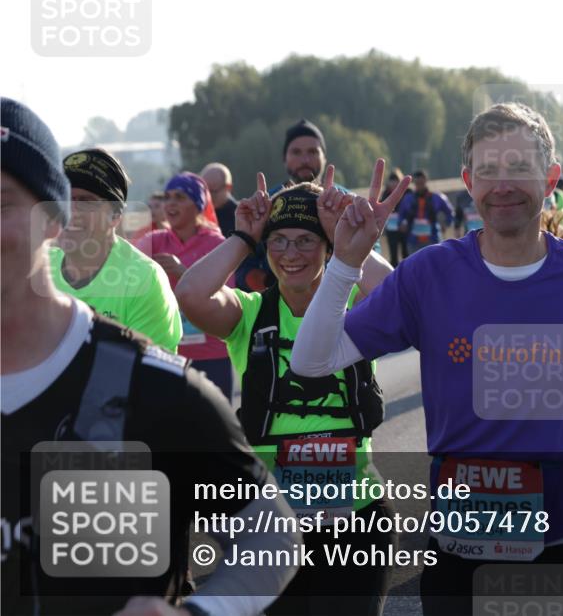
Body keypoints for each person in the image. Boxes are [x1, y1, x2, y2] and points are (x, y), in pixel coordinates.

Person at [290, 102, 563, 615]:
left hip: (561, 541)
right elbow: (310, 362)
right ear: (468, 182)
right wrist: (346, 260)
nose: (502, 184)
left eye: (519, 168)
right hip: (459, 546)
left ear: (550, 179)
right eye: (487, 171)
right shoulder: (428, 275)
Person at [1, 96, 298, 616]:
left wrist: (199, 611)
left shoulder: (154, 382)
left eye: (0, 202)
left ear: (53, 219)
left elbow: (272, 536)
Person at [176, 169, 402, 615]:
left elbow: (397, 294)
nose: (290, 253)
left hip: (355, 518)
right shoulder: (249, 313)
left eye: (305, 240)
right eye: (278, 240)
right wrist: (243, 236)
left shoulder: (356, 309)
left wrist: (350, 243)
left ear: (327, 246)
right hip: (273, 526)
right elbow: (191, 293)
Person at [50, 148, 182, 353]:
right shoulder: (38, 267)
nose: (71, 212)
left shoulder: (145, 279)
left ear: (115, 216)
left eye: (86, 202)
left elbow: (152, 378)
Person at [136, 172, 234, 399]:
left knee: (213, 430)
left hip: (211, 354)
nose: (170, 203)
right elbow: (129, 275)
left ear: (198, 204)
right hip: (166, 352)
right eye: (168, 196)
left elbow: (229, 296)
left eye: (180, 197)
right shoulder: (154, 241)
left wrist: (183, 273)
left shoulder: (217, 244)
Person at [235, 118, 356, 292]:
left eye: (313, 152)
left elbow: (368, 253)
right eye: (296, 152)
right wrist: (277, 288)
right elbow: (244, 265)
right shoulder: (268, 203)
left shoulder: (345, 202)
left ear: (325, 157)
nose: (305, 159)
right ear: (284, 159)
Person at [397, 169, 454, 252]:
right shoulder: (408, 199)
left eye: (422, 183)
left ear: (426, 181)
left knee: (433, 264)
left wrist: (446, 224)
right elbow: (401, 215)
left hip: (433, 240)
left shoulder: (437, 197)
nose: (420, 186)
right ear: (414, 183)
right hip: (413, 241)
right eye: (417, 183)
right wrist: (401, 224)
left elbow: (450, 212)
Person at [382, 167, 411, 265]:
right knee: (393, 255)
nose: (394, 184)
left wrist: (406, 222)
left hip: (405, 228)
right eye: (392, 181)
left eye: (396, 181)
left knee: (406, 253)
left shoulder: (408, 193)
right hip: (391, 228)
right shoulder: (386, 193)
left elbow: (411, 210)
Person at [201, 162, 238, 237]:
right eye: (204, 191)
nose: (208, 197)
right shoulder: (198, 217)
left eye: (213, 191)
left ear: (228, 188)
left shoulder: (241, 217)